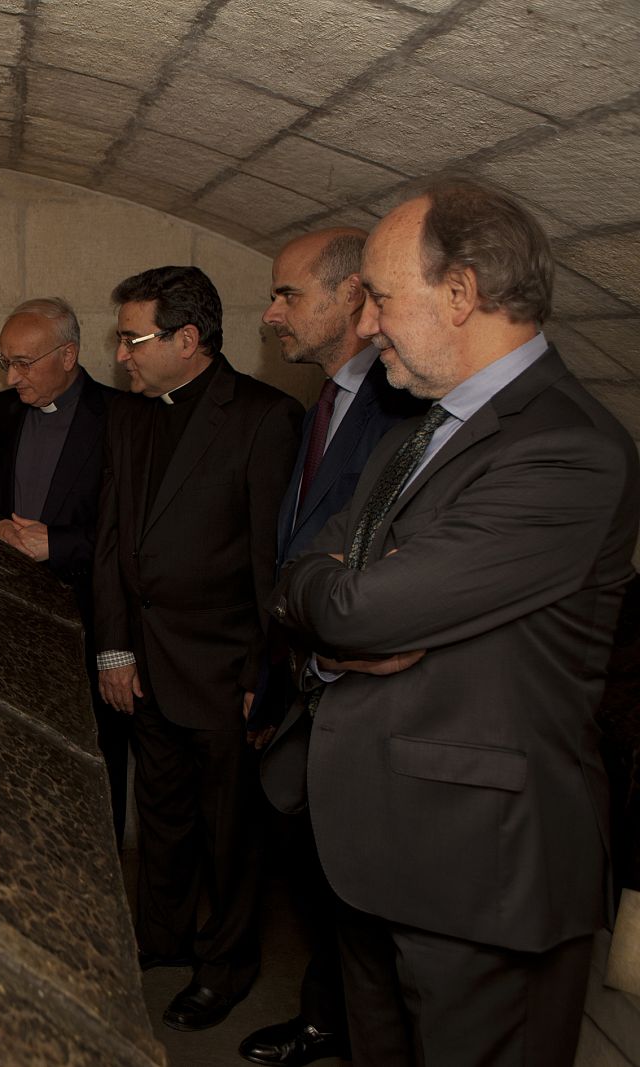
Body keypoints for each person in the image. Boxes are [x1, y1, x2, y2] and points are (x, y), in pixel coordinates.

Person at [271, 177, 639, 1066]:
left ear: (463, 292)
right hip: (374, 851)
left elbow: (352, 604)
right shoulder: (411, 429)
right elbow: (297, 575)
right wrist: (332, 614)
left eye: (383, 301)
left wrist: (337, 599)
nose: (365, 328)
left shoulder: (567, 448)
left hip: (481, 871)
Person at [92, 266, 301, 1032]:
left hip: (223, 666)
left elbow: (269, 565)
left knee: (228, 831)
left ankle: (227, 964)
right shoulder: (131, 414)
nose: (121, 357)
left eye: (132, 339)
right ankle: (162, 940)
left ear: (188, 339)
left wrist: (263, 674)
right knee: (164, 815)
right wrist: (114, 648)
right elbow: (112, 540)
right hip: (144, 660)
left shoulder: (263, 417)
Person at [239, 228, 423, 1067]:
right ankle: (329, 1019)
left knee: (368, 894)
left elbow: (366, 567)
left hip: (367, 689)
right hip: (311, 671)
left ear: (352, 299)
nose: (272, 313)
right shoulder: (327, 399)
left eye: (288, 295)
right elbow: (301, 550)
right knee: (324, 878)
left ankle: (346, 1025)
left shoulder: (403, 404)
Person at [0, 297, 126, 846]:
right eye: (5, 362)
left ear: (68, 355)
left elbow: (136, 535)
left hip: (90, 621)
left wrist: (61, 545)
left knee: (95, 762)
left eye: (24, 362)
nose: (12, 375)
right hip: (7, 621)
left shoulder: (123, 417)